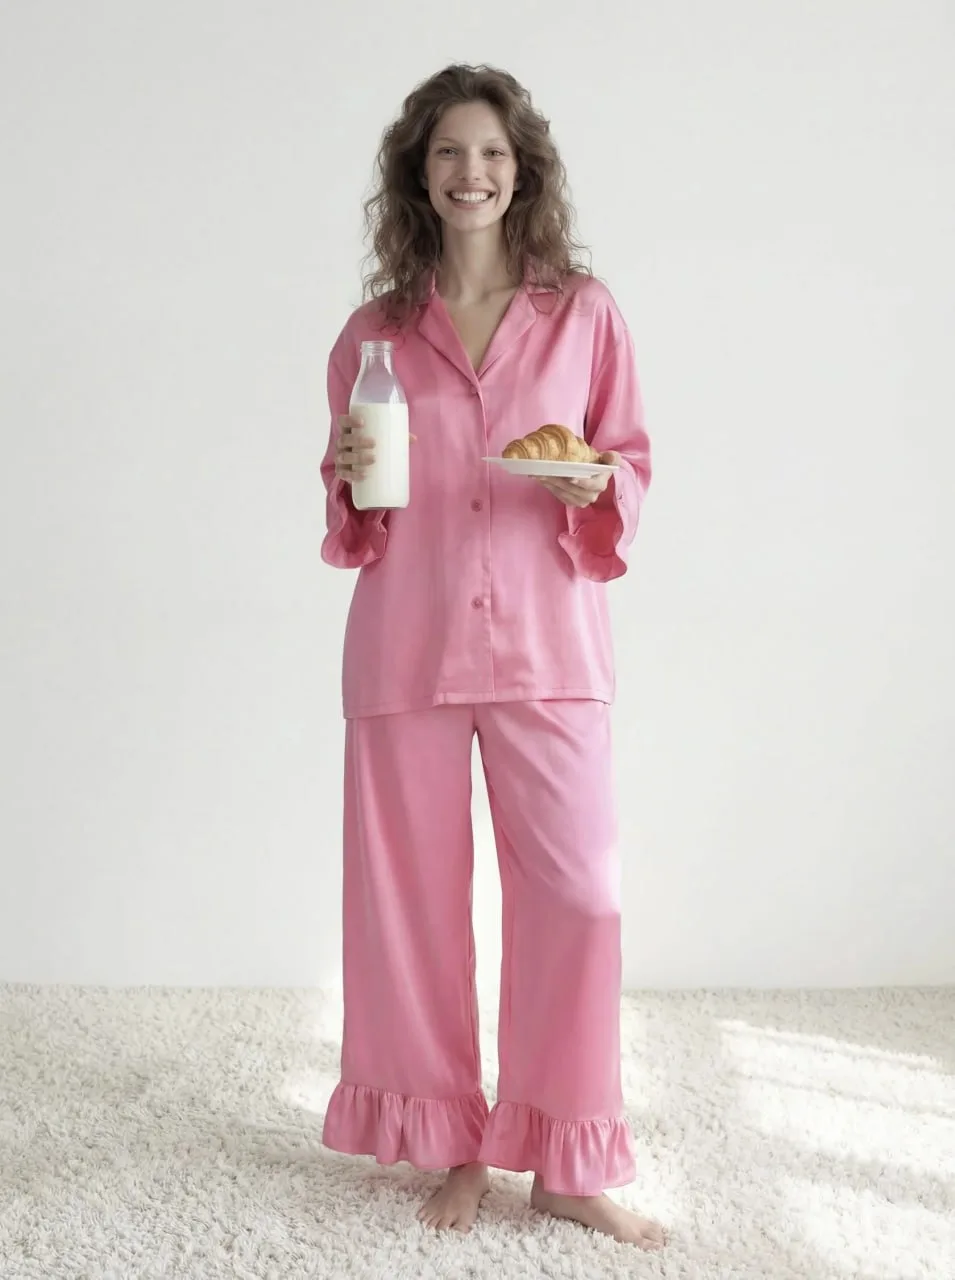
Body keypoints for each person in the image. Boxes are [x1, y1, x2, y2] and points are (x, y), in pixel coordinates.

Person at [319, 63, 663, 1252]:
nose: (472, 172)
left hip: (547, 641)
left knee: (580, 897)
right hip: (406, 644)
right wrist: (353, 480)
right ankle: (455, 1140)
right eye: (449, 152)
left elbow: (625, 458)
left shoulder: (584, 313)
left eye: (493, 153)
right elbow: (353, 508)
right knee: (412, 910)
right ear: (419, 175)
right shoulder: (372, 334)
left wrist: (592, 481)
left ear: (523, 173)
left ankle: (566, 1161)